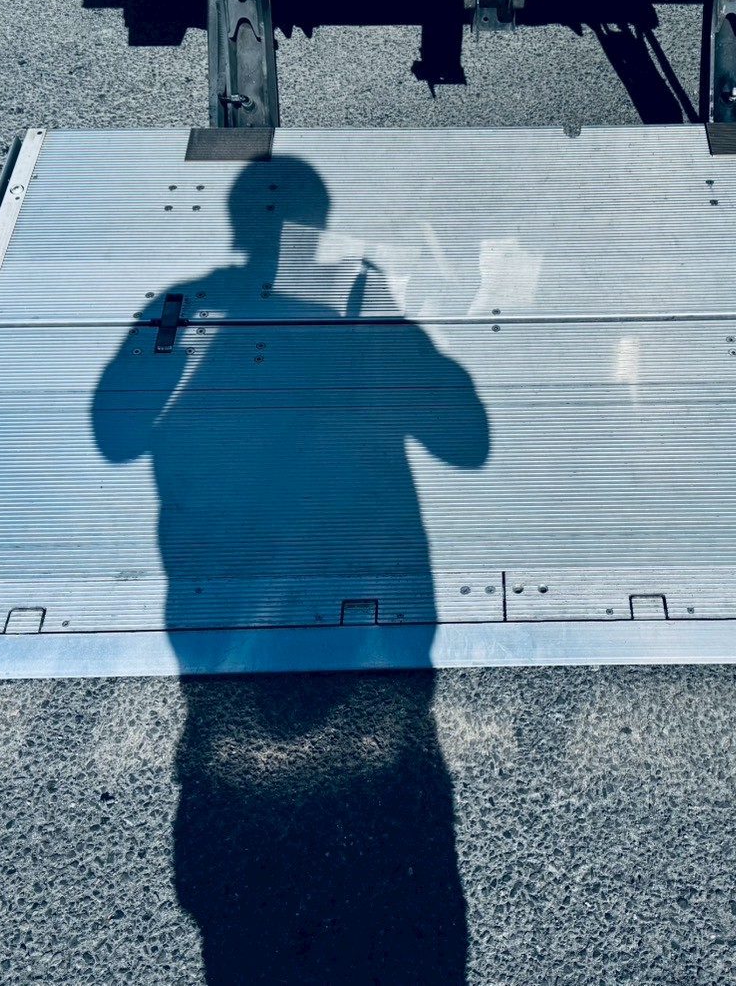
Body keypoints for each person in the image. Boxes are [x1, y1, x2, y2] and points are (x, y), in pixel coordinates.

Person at [92, 156, 489, 984]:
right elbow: (465, 437)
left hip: (229, 623)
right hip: (366, 616)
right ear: (315, 227)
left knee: (255, 880)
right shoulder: (342, 297)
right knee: (388, 860)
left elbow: (115, 434)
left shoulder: (190, 305)